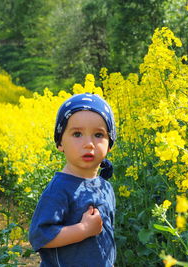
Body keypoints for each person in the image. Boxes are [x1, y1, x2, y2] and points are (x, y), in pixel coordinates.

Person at [29, 93, 117, 267]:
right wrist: (83, 229)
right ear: (60, 143)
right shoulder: (59, 189)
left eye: (98, 135)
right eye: (77, 134)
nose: (89, 143)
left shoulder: (106, 187)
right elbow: (39, 236)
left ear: (109, 144)